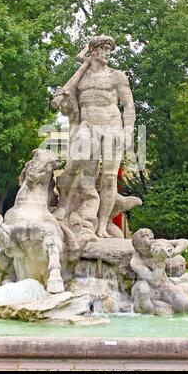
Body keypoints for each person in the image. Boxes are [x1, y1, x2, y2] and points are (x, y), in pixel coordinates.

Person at [53, 36, 136, 238]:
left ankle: (101, 225)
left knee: (108, 178)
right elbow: (68, 104)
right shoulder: (81, 76)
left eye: (109, 50)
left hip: (112, 126)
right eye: (103, 49)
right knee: (76, 167)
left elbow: (129, 105)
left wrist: (128, 130)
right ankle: (63, 207)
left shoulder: (117, 76)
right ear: (93, 51)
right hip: (87, 126)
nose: (108, 53)